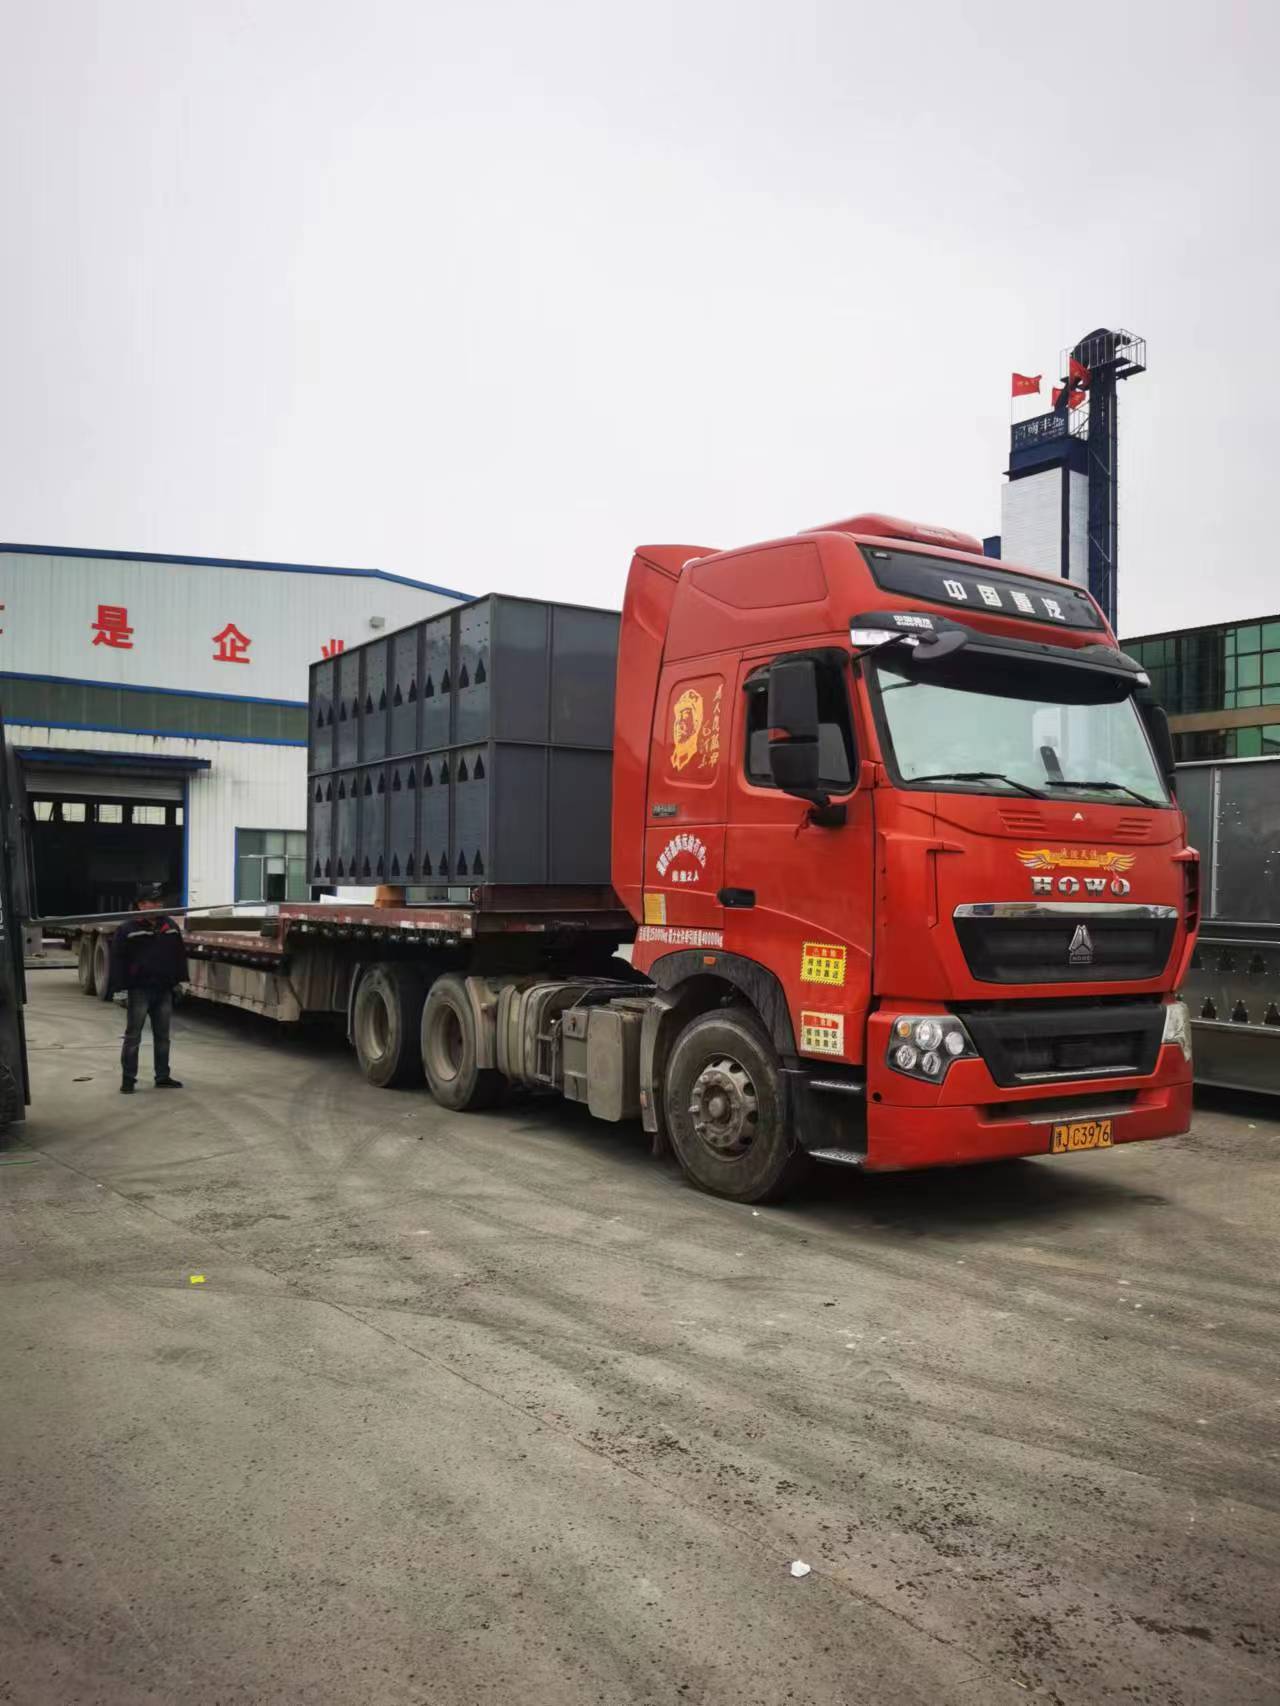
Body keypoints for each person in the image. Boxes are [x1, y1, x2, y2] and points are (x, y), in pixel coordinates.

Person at [106, 883, 188, 1094]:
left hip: (163, 990)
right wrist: (119, 989)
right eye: (153, 902)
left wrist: (180, 981)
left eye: (160, 901)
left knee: (163, 1037)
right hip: (139, 990)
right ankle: (128, 1081)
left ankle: (162, 1077)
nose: (159, 905)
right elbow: (117, 961)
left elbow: (179, 955)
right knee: (133, 1037)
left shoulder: (170, 926)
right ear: (141, 905)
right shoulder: (127, 929)